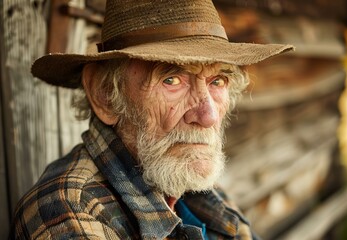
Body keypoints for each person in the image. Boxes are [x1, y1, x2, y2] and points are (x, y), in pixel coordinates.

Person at [10, 0, 293, 239]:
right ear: (105, 94)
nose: (207, 116)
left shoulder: (191, 188)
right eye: (172, 79)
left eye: (217, 81)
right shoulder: (67, 210)